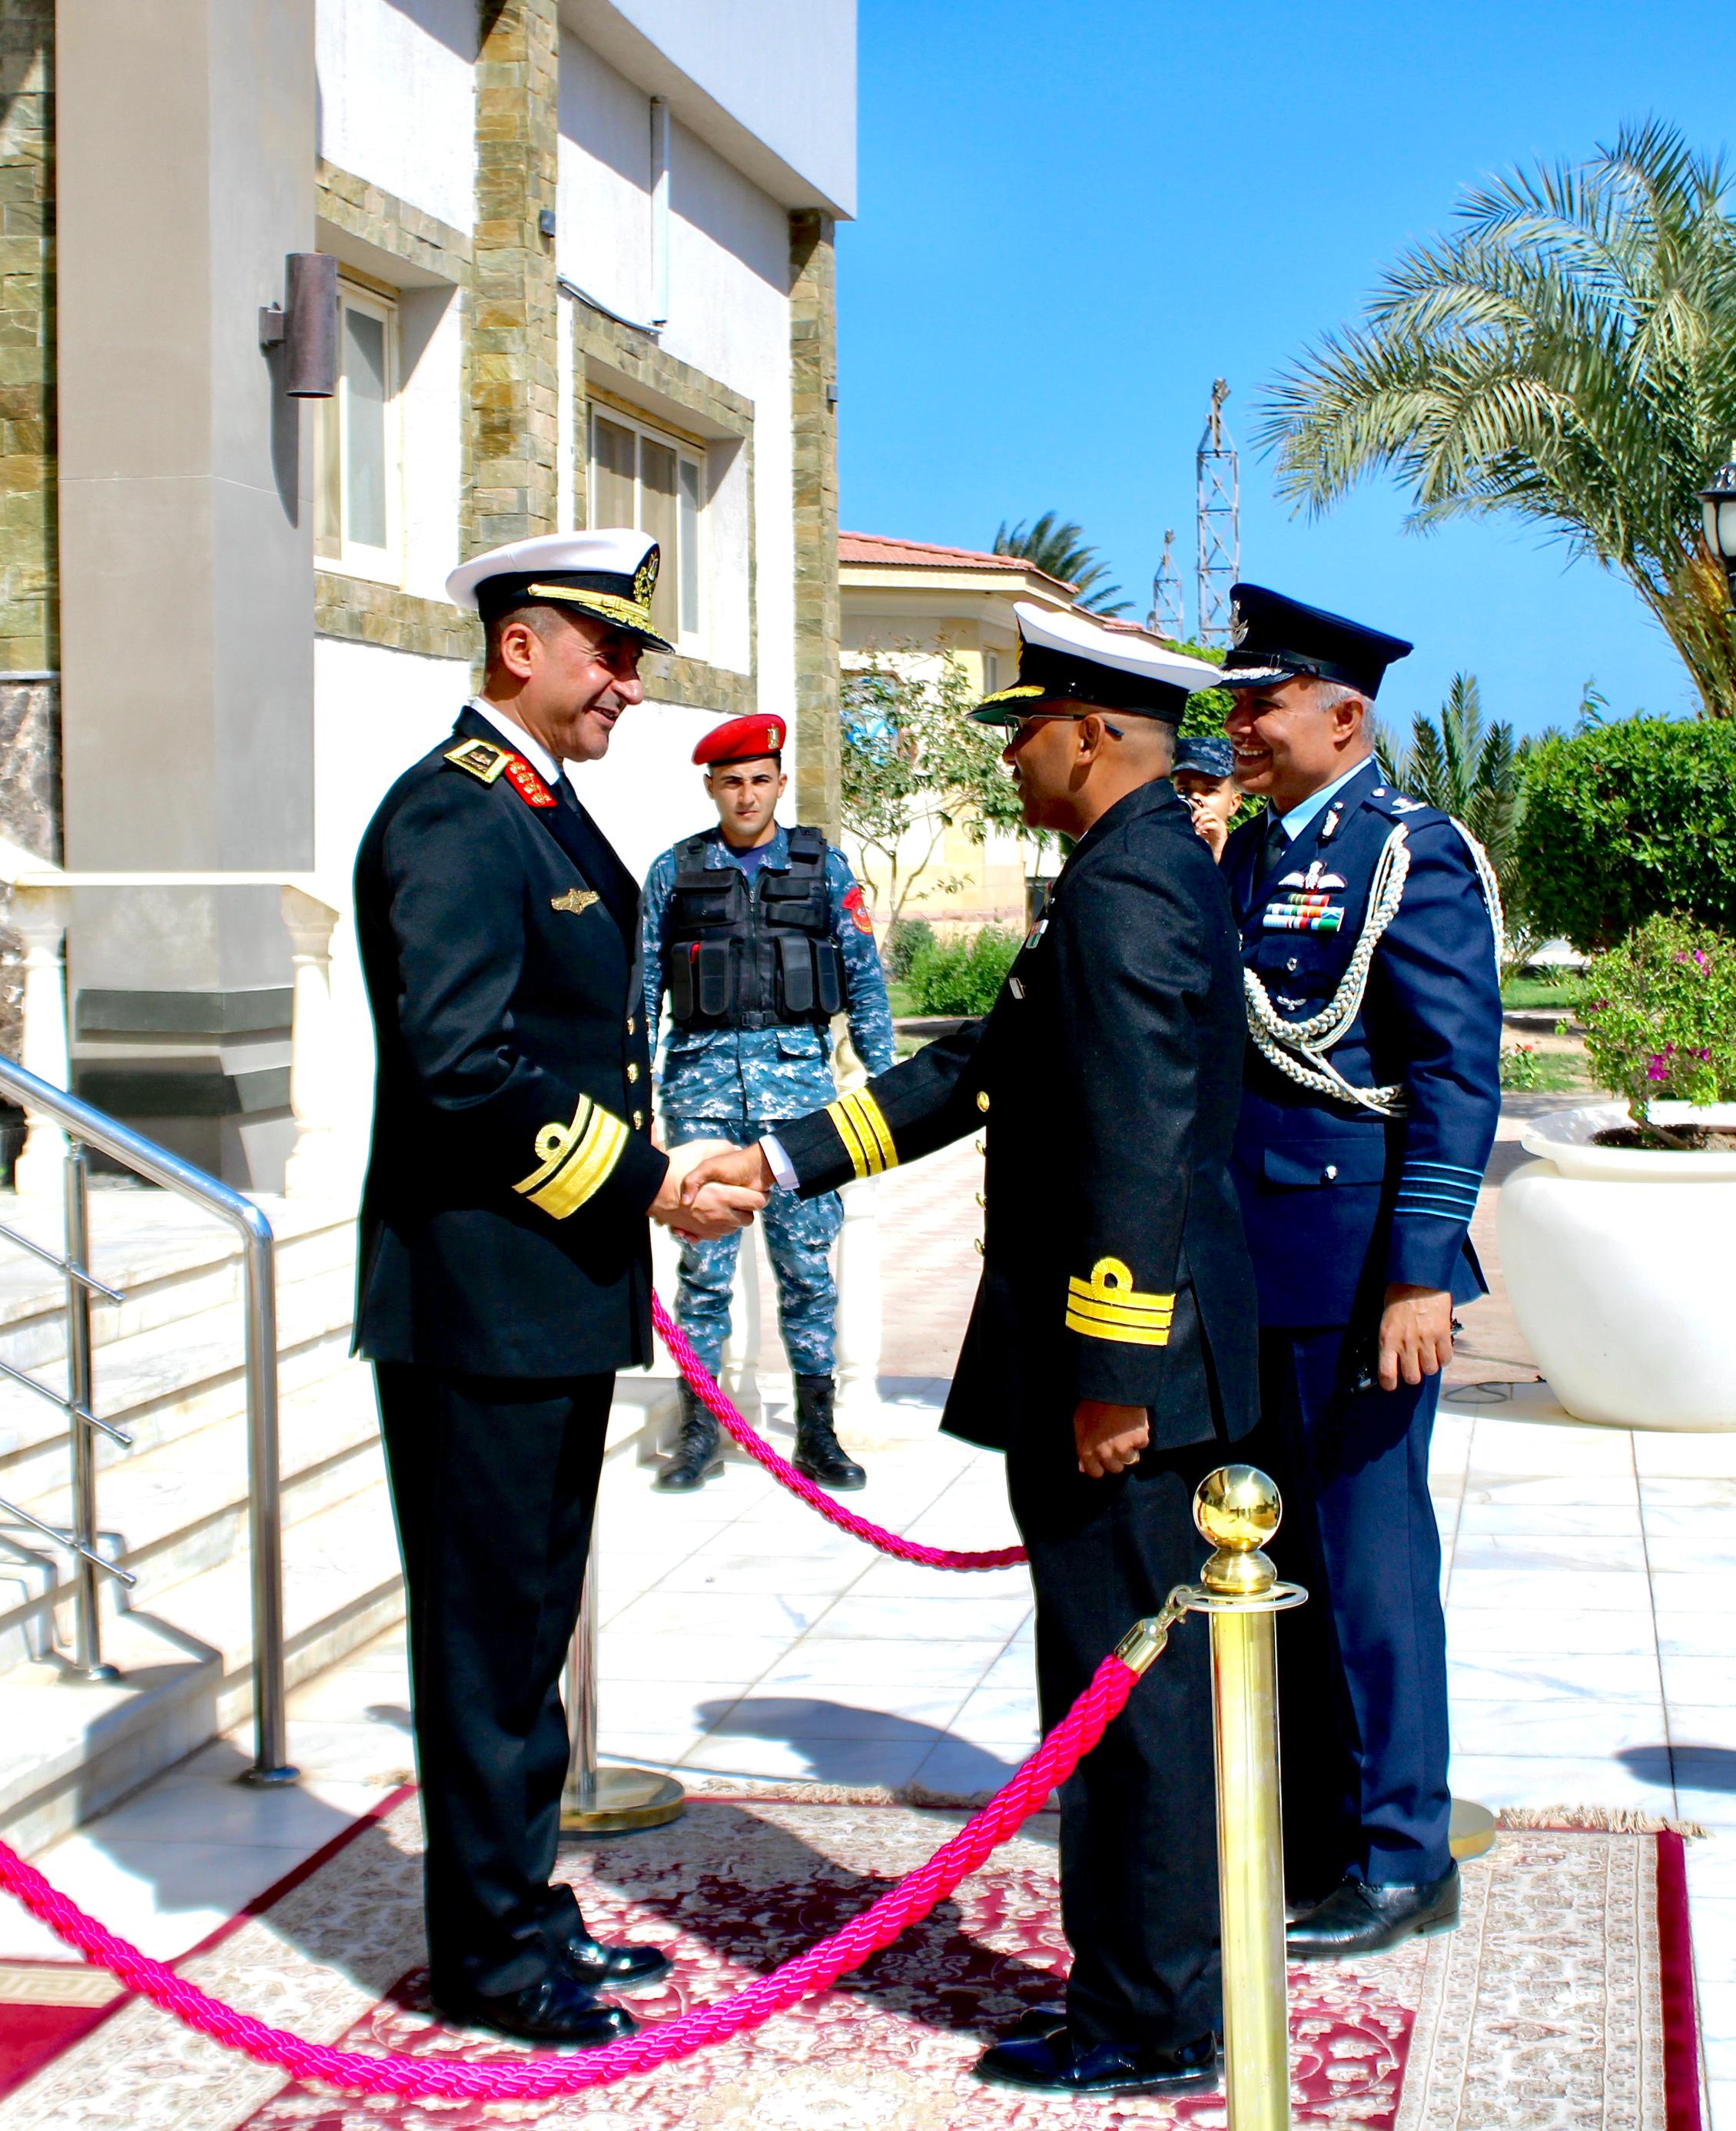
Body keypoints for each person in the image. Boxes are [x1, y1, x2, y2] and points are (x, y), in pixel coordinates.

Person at [682, 602, 1259, 2098]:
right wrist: (784, 1159)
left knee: (1122, 1707)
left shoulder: (1131, 894)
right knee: (1121, 1693)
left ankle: (1149, 2018)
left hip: (1122, 1387)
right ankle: (1156, 1989)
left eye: (1026, 738)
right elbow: (969, 1074)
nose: (1011, 765)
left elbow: (1139, 1148)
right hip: (1123, 1371)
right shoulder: (1122, 876)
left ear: (1089, 734)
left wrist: (1115, 1380)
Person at [351, 528, 763, 2047]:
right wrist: (644, 1178)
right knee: (485, 1639)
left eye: (637, 656)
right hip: (478, 1303)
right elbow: (464, 1069)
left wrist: (650, 1165)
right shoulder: (453, 820)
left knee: (521, 1631)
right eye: (611, 651)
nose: (631, 685)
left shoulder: (539, 811)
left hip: (539, 1291)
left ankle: (520, 1905)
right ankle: (492, 1954)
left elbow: (570, 1048)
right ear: (520, 644)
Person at [1211, 583, 1501, 1959]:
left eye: (1260, 702)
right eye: (1234, 704)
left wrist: (1420, 1270)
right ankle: (1325, 1832)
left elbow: (1452, 1072)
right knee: (1292, 1566)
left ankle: (1404, 1848)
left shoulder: (1408, 853)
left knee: (1372, 1566)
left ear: (1344, 712)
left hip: (1361, 1266)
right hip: (1261, 1264)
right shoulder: (1249, 854)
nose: (1240, 726)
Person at [638, 711, 897, 1493]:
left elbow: (863, 980)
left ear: (780, 783)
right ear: (710, 788)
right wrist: (633, 1099)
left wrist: (889, 1093)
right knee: (705, 1272)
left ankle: (816, 1430)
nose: (746, 795)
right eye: (730, 782)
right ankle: (697, 1429)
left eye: (759, 780)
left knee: (808, 1269)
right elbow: (643, 990)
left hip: (800, 1099)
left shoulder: (825, 870)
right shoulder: (673, 872)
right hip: (701, 1097)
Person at [1170, 732, 1244, 857]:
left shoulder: (1249, 856)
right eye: (1184, 791)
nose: (1195, 798)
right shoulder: (1153, 842)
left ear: (1233, 804)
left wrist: (1220, 853)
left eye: (1209, 790)